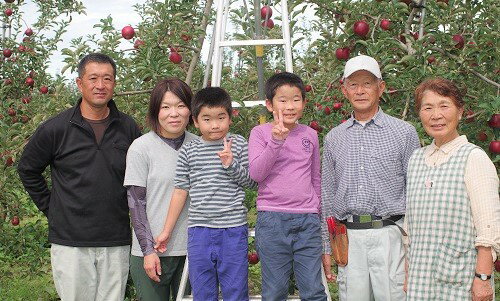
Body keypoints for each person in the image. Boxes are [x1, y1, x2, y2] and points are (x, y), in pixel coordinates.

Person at [17, 53, 141, 301]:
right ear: (79, 83)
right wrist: (51, 208)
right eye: (93, 78)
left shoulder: (128, 128)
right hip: (70, 241)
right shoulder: (56, 128)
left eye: (107, 79)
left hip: (115, 238)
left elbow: (138, 177)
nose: (100, 85)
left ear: (114, 84)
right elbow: (27, 169)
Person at [320, 54, 420, 300]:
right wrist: (326, 245)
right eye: (353, 84)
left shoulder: (404, 132)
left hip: (391, 233)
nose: (360, 90)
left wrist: (415, 243)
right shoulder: (334, 137)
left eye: (367, 83)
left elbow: (416, 190)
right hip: (349, 236)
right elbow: (327, 194)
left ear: (381, 87)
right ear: (344, 90)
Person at [154, 87, 256, 301]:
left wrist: (231, 164)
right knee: (202, 289)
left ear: (230, 118)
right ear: (196, 121)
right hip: (199, 231)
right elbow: (181, 190)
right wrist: (166, 230)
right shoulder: (188, 151)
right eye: (207, 119)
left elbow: (252, 182)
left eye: (221, 117)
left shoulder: (238, 144)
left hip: (233, 229)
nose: (215, 125)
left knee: (235, 289)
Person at [405, 78, 499, 301]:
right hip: (421, 279)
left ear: (460, 111)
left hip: (461, 281)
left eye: (444, 105)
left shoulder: (473, 158)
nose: (436, 115)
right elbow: (410, 229)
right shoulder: (416, 159)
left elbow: (489, 227)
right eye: (427, 108)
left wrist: (483, 279)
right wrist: (408, 272)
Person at [248, 72, 327, 301]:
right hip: (272, 220)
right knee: (275, 291)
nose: (290, 106)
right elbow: (257, 174)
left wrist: (316, 209)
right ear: (269, 105)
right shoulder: (260, 133)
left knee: (313, 290)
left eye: (296, 99)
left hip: (306, 220)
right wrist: (276, 141)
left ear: (303, 102)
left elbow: (315, 177)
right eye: (282, 100)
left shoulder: (310, 135)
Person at [124, 78, 197, 300]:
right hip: (153, 251)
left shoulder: (200, 146)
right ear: (156, 111)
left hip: (192, 250)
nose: (173, 113)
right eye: (165, 107)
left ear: (190, 110)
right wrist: (148, 250)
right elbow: (136, 203)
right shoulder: (141, 148)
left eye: (180, 105)